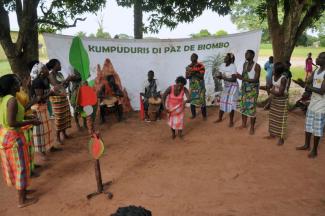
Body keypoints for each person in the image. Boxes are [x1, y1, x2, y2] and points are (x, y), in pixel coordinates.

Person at [0, 74, 41, 208]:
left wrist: (27, 118)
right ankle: (21, 201)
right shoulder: (11, 100)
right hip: (13, 138)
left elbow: (11, 119)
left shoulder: (5, 99)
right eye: (17, 82)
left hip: (7, 136)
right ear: (11, 86)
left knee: (20, 166)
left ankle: (23, 191)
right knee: (21, 168)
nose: (19, 84)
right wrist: (31, 121)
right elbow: (12, 122)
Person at [296, 52, 325, 158]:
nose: (316, 59)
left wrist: (307, 86)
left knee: (317, 128)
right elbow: (308, 82)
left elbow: (322, 91)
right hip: (313, 102)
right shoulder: (316, 70)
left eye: (320, 58)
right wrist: (301, 83)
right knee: (308, 125)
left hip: (322, 104)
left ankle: (314, 150)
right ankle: (306, 145)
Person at [30, 63, 55, 159]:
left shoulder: (44, 80)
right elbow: (39, 98)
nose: (46, 69)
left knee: (47, 129)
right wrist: (51, 93)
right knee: (40, 131)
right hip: (38, 108)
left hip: (43, 107)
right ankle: (41, 152)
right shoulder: (37, 82)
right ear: (40, 72)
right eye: (44, 68)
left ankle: (50, 146)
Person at [47, 59, 72, 144]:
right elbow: (56, 87)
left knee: (64, 116)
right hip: (56, 99)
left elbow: (64, 86)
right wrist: (67, 79)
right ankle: (57, 137)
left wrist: (68, 81)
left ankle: (64, 134)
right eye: (59, 64)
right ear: (54, 66)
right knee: (59, 118)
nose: (60, 66)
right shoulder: (51, 75)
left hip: (63, 97)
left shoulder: (59, 74)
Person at [237, 50, 261, 135]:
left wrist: (241, 78)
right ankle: (243, 124)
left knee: (251, 109)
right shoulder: (245, 64)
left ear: (253, 55)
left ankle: (252, 128)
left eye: (247, 53)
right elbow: (244, 76)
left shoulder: (257, 66)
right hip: (244, 89)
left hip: (252, 91)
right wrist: (238, 75)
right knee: (243, 107)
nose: (246, 55)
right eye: (245, 53)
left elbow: (255, 80)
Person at [265, 62, 289, 145]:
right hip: (275, 99)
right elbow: (273, 86)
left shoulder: (283, 79)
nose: (272, 70)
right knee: (273, 117)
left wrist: (269, 90)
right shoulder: (273, 76)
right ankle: (272, 134)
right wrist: (268, 87)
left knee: (281, 119)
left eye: (273, 69)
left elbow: (280, 93)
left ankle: (281, 138)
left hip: (282, 100)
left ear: (277, 70)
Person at [214, 53, 239, 127]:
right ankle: (220, 118)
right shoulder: (222, 65)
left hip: (233, 86)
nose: (224, 58)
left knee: (231, 103)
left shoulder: (233, 66)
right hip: (226, 86)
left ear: (230, 60)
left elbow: (234, 79)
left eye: (226, 57)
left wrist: (222, 78)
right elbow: (220, 73)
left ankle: (231, 121)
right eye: (225, 57)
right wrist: (218, 75)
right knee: (222, 102)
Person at [186, 53, 207, 120]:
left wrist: (193, 72)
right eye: (191, 57)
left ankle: (204, 116)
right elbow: (187, 76)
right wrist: (191, 73)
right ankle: (193, 115)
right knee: (192, 101)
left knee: (202, 101)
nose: (192, 58)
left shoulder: (201, 65)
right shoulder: (188, 66)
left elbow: (201, 76)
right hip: (193, 87)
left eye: (193, 57)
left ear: (196, 58)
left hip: (200, 86)